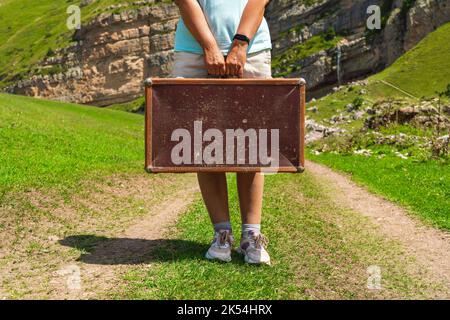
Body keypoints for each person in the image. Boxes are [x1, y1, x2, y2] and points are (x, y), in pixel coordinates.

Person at [173, 0, 272, 265]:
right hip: (194, 50)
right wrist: (209, 46)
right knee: (203, 143)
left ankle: (251, 236)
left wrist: (240, 43)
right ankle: (222, 235)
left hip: (251, 48)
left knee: (251, 144)